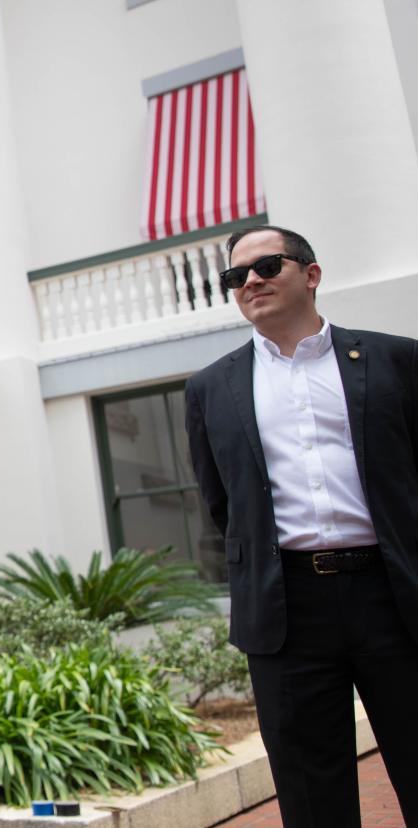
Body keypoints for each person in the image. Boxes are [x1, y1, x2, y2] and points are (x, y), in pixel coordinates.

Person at [185, 225, 418, 827]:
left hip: (394, 594)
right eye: (237, 277)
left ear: (311, 274)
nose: (251, 282)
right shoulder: (211, 388)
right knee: (312, 799)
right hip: (287, 609)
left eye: (267, 267)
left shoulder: (397, 359)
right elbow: (223, 504)